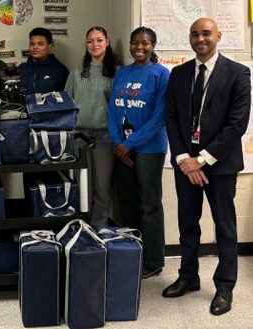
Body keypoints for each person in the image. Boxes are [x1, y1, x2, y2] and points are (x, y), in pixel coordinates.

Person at [164, 18, 251, 316]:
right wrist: (183, 160)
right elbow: (171, 119)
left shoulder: (238, 73)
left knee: (225, 227)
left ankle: (225, 286)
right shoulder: (178, 74)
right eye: (195, 34)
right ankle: (188, 277)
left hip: (220, 165)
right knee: (188, 224)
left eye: (206, 34)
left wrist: (199, 160)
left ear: (218, 36)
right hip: (184, 164)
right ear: (189, 38)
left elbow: (236, 124)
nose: (200, 39)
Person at [108, 27, 169, 278]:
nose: (139, 47)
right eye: (135, 43)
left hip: (149, 149)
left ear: (153, 45)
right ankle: (132, 254)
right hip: (123, 148)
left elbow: (160, 117)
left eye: (145, 43)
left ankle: (153, 262)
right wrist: (118, 142)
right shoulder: (123, 72)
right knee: (128, 204)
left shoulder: (161, 74)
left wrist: (129, 144)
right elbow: (113, 109)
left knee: (149, 205)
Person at [64, 26, 117, 226]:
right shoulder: (77, 71)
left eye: (99, 40)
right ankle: (80, 225)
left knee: (102, 186)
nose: (95, 44)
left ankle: (99, 227)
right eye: (90, 41)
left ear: (107, 42)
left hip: (105, 135)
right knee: (81, 183)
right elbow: (67, 103)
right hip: (79, 134)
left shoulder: (116, 72)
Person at [18, 27, 69, 94]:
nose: (35, 47)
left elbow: (67, 98)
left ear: (49, 46)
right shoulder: (21, 69)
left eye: (40, 44)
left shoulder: (60, 70)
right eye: (32, 44)